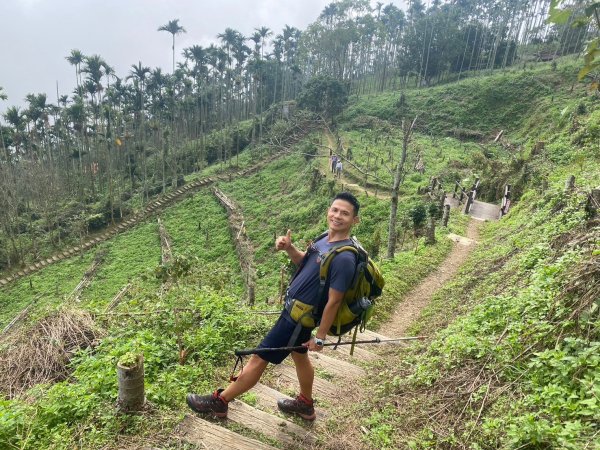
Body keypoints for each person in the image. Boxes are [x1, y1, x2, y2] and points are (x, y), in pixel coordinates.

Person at [186, 192, 361, 421]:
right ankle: (306, 405)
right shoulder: (324, 239)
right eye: (335, 210)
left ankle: (220, 402)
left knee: (259, 357)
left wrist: (320, 337)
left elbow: (334, 300)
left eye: (345, 213)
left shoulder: (345, 258)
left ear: (354, 220)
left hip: (298, 320)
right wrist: (289, 248)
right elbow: (305, 263)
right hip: (293, 312)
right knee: (299, 356)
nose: (337, 216)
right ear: (329, 210)